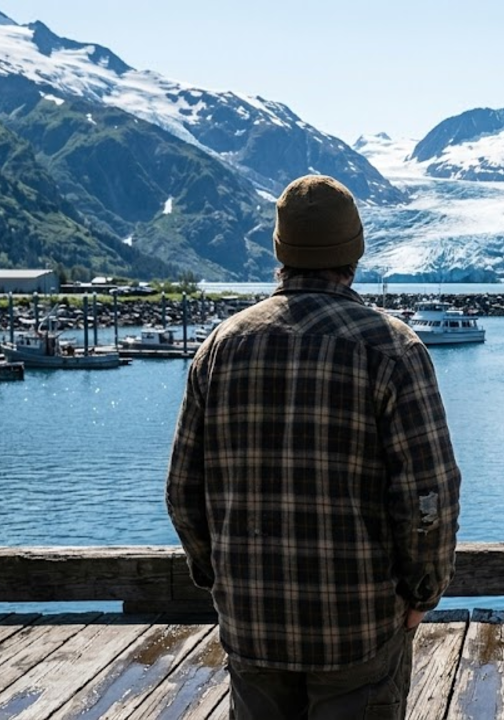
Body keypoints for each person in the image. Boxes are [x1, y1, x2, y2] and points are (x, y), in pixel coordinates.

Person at [166, 174, 462, 719]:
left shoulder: (220, 348)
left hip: (251, 622)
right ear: (355, 251)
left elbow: (182, 492)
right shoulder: (393, 348)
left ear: (280, 251)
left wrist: (219, 577)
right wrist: (421, 593)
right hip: (359, 628)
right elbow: (429, 496)